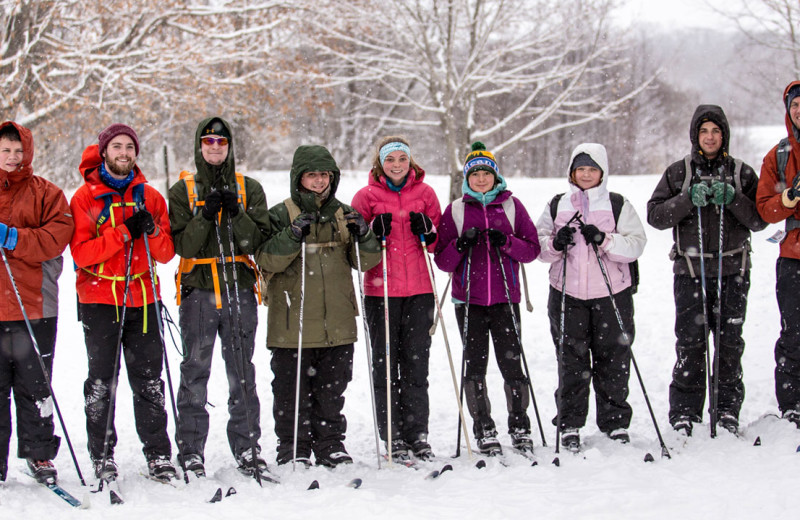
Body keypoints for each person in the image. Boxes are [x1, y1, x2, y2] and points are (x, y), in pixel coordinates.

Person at [255, 144, 380, 467]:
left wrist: (364, 235)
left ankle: (330, 444)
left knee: (332, 388)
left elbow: (365, 262)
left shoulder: (344, 213)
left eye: (325, 175)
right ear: (299, 178)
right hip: (291, 321)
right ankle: (293, 446)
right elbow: (266, 260)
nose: (319, 181)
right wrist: (292, 236)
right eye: (312, 175)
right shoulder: (280, 214)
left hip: (336, 320)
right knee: (290, 390)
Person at [648, 105, 766, 436]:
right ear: (695, 136)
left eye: (715, 131)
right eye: (704, 132)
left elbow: (759, 219)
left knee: (729, 345)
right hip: (690, 271)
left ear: (724, 135)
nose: (710, 137)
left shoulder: (742, 172)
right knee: (690, 343)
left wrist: (734, 199)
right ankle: (684, 411)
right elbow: (655, 216)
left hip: (733, 271)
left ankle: (726, 409)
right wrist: (687, 200)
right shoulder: (678, 172)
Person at [70, 123, 176, 480]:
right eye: (117, 146)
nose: (124, 153)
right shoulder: (85, 198)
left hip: (143, 297)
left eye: (129, 147)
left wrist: (151, 231)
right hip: (100, 297)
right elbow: (82, 254)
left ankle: (158, 454)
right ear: (104, 152)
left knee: (149, 381)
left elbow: (165, 254)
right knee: (101, 381)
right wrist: (122, 233)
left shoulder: (151, 197)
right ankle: (102, 454)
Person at [169, 117, 271, 478]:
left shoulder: (249, 187)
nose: (215, 147)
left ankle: (247, 447)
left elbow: (256, 242)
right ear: (200, 145)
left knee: (242, 370)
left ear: (230, 147)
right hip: (199, 289)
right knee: (195, 369)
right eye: (209, 141)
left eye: (221, 142)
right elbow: (183, 245)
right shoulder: (182, 191)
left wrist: (236, 213)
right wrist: (205, 215)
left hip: (239, 287)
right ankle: (191, 450)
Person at [537, 143, 646, 451]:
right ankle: (570, 422)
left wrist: (605, 239)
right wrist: (556, 243)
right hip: (566, 294)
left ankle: (614, 422)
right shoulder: (558, 205)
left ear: (602, 172)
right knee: (570, 359)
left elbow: (637, 244)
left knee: (613, 358)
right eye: (580, 169)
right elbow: (539, 246)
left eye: (592, 169)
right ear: (572, 172)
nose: (586, 174)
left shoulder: (617, 204)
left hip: (611, 294)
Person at [434, 142, 539, 456]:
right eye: (475, 173)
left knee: (511, 365)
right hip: (469, 302)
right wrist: (461, 245)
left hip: (506, 299)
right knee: (475, 365)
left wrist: (506, 241)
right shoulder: (455, 210)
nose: (481, 179)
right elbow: (442, 261)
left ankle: (520, 426)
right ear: (467, 178)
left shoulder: (512, 207)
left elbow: (531, 249)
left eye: (486, 173)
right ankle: (484, 429)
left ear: (496, 176)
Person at [351, 136, 442, 463]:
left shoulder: (426, 193)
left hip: (419, 290)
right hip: (381, 291)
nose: (397, 165)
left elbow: (437, 246)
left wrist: (428, 229)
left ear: (410, 161)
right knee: (386, 365)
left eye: (402, 158)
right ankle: (392, 435)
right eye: (391, 160)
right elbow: (355, 250)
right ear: (381, 163)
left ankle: (418, 434)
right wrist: (371, 231)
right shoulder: (366, 196)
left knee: (416, 365)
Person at [0, 122, 73, 484]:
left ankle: (40, 454)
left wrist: (12, 237)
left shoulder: (48, 193)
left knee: (35, 386)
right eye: (5, 151)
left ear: (27, 152)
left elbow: (55, 238)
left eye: (18, 151)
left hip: (35, 306)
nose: (12, 158)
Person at [756, 81, 800, 429]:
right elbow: (765, 212)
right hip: (792, 257)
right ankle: (793, 404)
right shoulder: (778, 156)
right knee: (794, 332)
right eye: (795, 105)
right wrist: (789, 198)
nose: (799, 110)